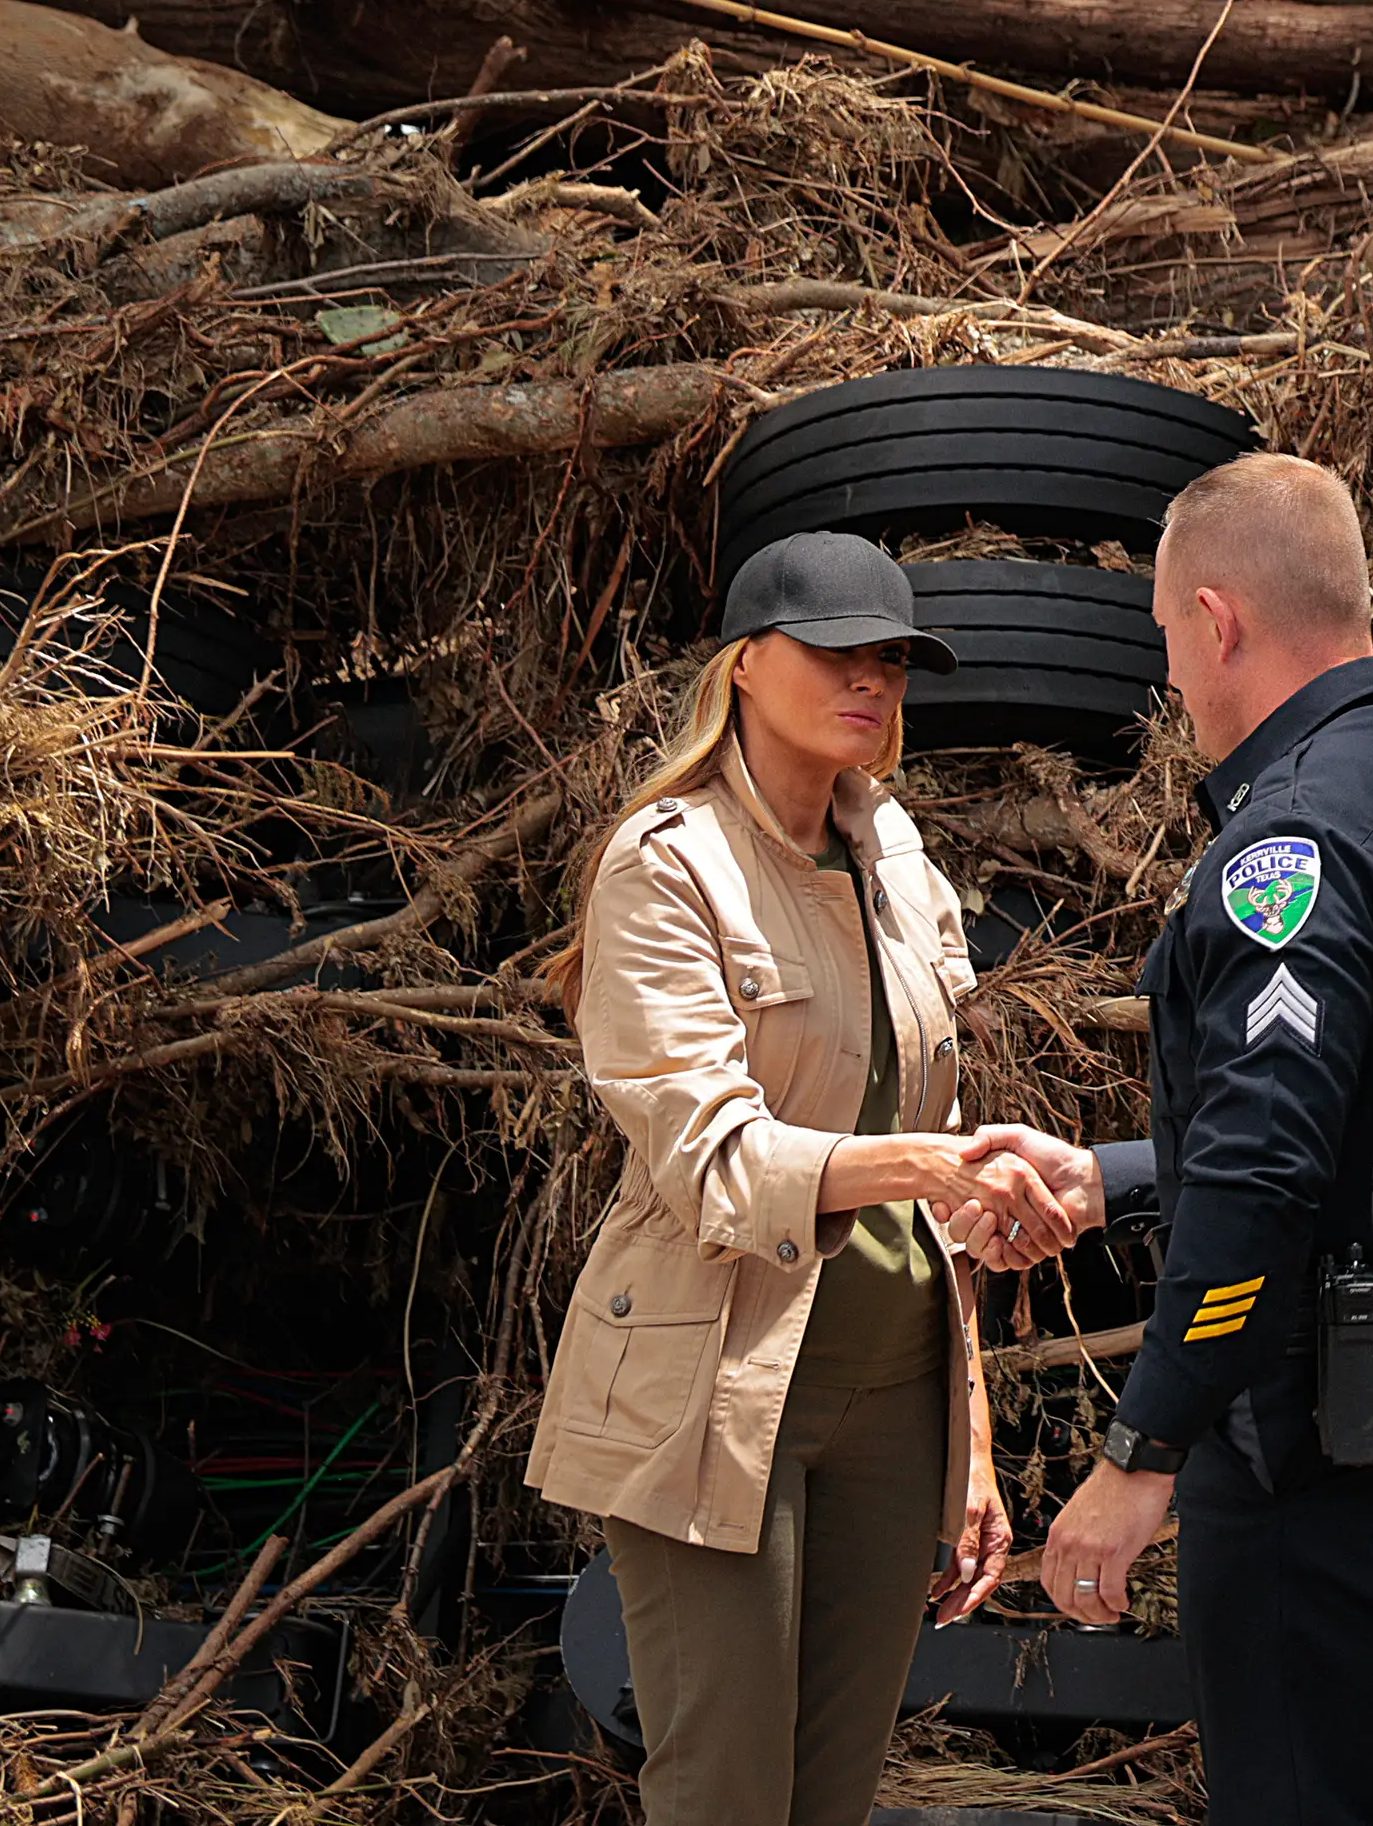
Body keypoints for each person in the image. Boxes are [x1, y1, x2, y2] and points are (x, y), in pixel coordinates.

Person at [1023, 452, 1373, 1826]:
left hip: (1340, 1436)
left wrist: (1140, 1448)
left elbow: (1270, 1171)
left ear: (1217, 620)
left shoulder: (1297, 837)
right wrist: (1115, 1180)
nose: (1172, 678)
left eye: (1165, 637)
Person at [525, 531, 1085, 1826]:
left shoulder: (899, 861)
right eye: (837, 649)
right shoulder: (665, 863)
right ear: (745, 662)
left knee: (832, 1799)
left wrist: (976, 1447)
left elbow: (936, 1207)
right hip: (713, 1387)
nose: (871, 680)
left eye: (891, 658)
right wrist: (931, 1162)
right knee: (725, 1795)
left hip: (895, 1403)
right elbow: (713, 1156)